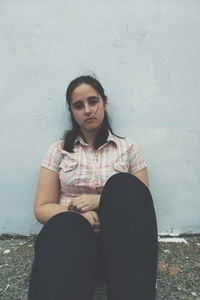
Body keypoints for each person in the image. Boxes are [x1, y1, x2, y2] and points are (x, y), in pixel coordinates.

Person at [28, 75, 158, 300]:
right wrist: (79, 217)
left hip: (121, 251)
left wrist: (100, 201)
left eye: (93, 101)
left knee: (125, 185)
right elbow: (42, 207)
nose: (87, 110)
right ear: (72, 112)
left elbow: (140, 205)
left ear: (104, 103)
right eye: (79, 105)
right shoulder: (58, 151)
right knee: (67, 224)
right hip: (71, 247)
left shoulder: (129, 149)